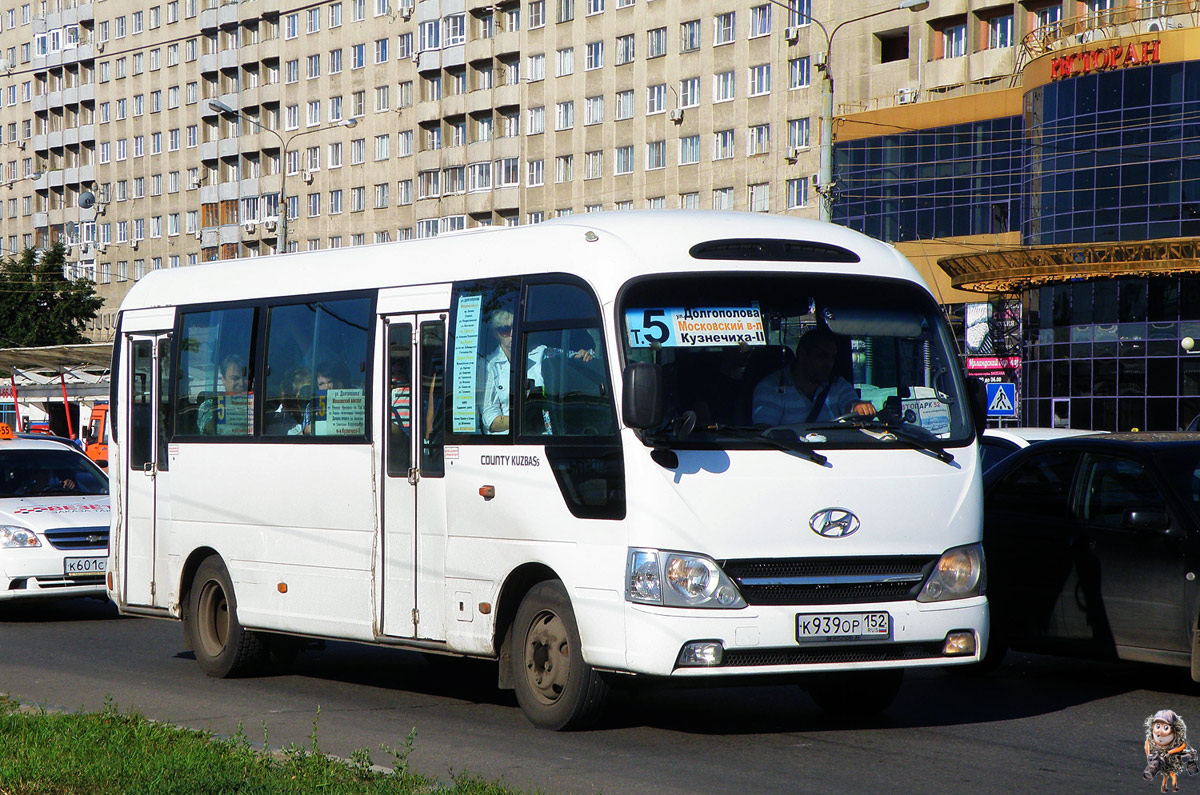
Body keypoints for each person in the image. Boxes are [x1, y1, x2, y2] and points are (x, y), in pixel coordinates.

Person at [480, 310, 594, 434]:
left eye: (516, 327)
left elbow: (574, 357)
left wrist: (584, 355)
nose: (513, 333)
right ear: (496, 334)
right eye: (505, 330)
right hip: (511, 442)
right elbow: (490, 419)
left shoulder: (541, 352)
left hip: (548, 434)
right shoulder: (488, 365)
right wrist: (527, 419)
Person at [751, 327, 875, 426]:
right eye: (822, 356)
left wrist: (858, 407)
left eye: (832, 357)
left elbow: (850, 405)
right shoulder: (771, 388)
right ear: (802, 354)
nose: (829, 363)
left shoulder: (838, 385)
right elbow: (765, 436)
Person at [197, 354, 251, 435]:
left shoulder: (256, 404)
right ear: (223, 379)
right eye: (235, 378)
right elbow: (209, 427)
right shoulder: (210, 405)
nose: (241, 383)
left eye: (245, 378)